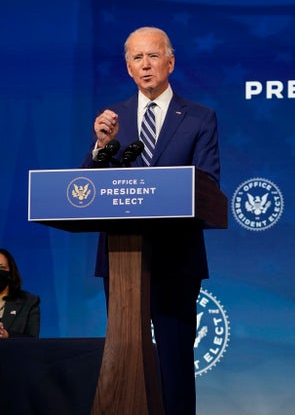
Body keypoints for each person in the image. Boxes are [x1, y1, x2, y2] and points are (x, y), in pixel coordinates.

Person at [81, 26, 221, 414]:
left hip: (176, 258)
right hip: (122, 257)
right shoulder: (113, 120)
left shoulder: (199, 118)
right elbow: (86, 189)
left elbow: (207, 184)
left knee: (174, 363)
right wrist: (100, 148)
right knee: (125, 359)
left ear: (170, 62)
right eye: (137, 58)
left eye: (153, 56)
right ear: (128, 67)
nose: (146, 65)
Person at [0, 248, 40, 339]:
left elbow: (32, 340)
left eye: (2, 268)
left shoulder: (29, 302)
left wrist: (7, 335)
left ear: (11, 273)